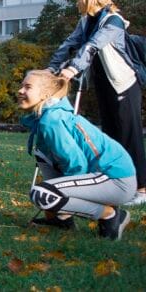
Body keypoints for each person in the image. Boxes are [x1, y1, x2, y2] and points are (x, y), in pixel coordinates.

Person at [47, 0, 146, 206]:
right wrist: (50, 69)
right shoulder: (86, 21)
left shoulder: (113, 21)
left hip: (123, 83)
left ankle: (141, 187)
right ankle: (116, 182)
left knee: (129, 134)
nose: (76, 3)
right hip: (103, 83)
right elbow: (69, 44)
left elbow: (92, 45)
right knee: (110, 134)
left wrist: (73, 68)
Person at [20, 70, 136, 240]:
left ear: (45, 94)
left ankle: (110, 215)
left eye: (27, 87)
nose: (20, 90)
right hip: (105, 178)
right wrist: (57, 202)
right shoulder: (48, 116)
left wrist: (57, 196)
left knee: (41, 194)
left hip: (116, 180)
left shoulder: (52, 120)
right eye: (22, 86)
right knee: (42, 153)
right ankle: (61, 219)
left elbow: (77, 164)